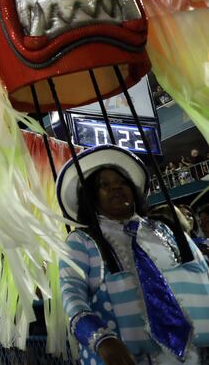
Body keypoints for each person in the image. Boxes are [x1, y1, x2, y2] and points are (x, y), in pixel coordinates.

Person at [57, 145, 209, 365]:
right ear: (91, 195)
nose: (116, 188)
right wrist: (101, 339)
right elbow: (71, 297)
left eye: (122, 182)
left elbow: (203, 275)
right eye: (105, 185)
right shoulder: (81, 241)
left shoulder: (166, 229)